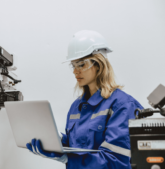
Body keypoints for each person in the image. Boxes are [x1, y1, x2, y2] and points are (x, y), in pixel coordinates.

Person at [26, 30, 143, 168]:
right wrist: (54, 140)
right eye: (73, 65)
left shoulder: (122, 105)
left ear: (99, 65)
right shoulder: (76, 106)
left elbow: (116, 162)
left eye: (81, 64)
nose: (76, 71)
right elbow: (77, 147)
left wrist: (67, 159)